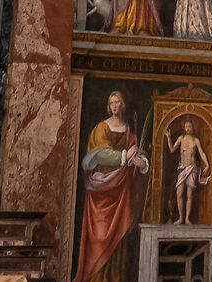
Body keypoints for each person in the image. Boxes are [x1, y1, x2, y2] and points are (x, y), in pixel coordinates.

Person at [75, 92, 150, 282]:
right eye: (111, 103)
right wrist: (126, 156)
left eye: (117, 102)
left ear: (122, 105)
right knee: (99, 237)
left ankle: (116, 278)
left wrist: (142, 162)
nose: (114, 105)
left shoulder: (129, 131)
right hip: (102, 190)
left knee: (119, 236)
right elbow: (100, 154)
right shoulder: (101, 128)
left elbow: (137, 151)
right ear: (108, 106)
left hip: (122, 190)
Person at [165, 119, 210, 225]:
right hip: (182, 168)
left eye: (190, 126)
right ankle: (181, 218)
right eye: (186, 126)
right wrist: (168, 137)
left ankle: (187, 219)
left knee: (190, 194)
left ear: (193, 128)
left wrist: (207, 164)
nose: (188, 128)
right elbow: (172, 149)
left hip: (192, 168)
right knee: (179, 193)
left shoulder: (196, 140)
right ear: (184, 128)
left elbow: (202, 153)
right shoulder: (181, 138)